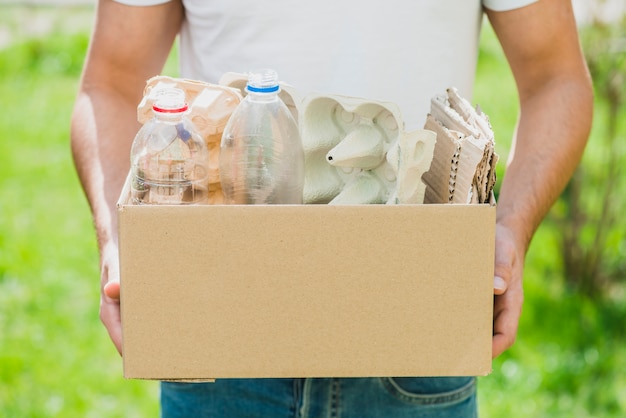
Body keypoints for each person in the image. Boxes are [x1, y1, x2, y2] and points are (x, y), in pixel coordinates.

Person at [71, 0, 593, 416]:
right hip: (220, 329)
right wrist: (122, 240)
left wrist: (510, 230)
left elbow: (556, 78)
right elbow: (111, 84)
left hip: (414, 323)